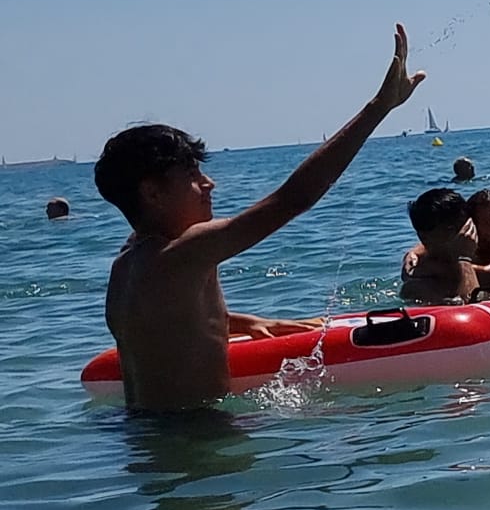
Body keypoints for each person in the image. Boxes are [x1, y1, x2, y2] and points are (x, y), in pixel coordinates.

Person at [94, 25, 424, 410]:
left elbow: (165, 322)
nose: (209, 183)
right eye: (192, 176)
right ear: (152, 193)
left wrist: (243, 322)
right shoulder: (184, 253)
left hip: (144, 434)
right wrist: (378, 107)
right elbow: (292, 199)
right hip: (196, 436)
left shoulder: (128, 263)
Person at [400, 188, 480, 305]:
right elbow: (473, 307)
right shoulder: (420, 282)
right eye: (451, 229)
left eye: (464, 224)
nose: (464, 234)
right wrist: (464, 259)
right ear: (424, 237)